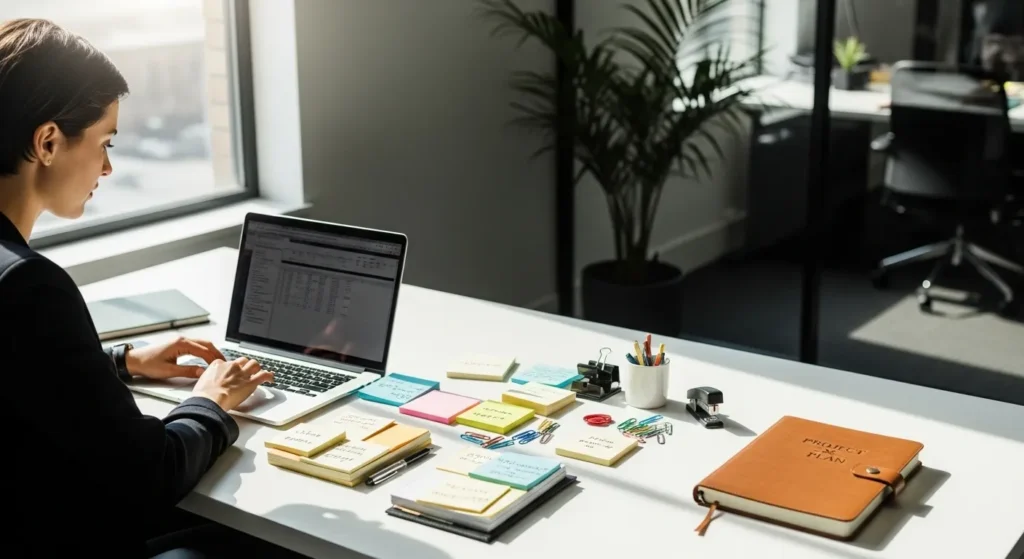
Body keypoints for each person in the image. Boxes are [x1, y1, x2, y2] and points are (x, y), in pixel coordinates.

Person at [0, 19, 278, 558]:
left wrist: (122, 362)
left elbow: (23, 376)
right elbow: (150, 476)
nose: (108, 167)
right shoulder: (30, 286)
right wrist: (209, 401)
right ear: (48, 141)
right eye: (104, 142)